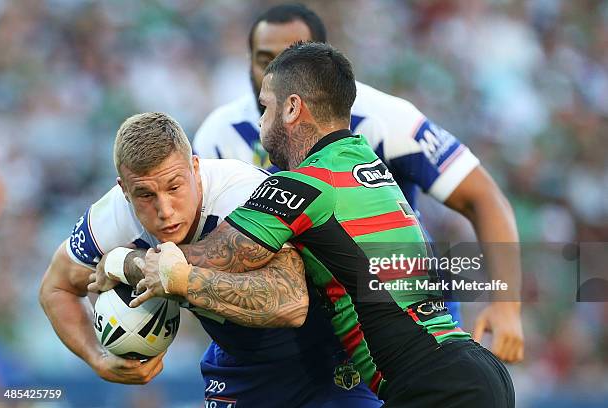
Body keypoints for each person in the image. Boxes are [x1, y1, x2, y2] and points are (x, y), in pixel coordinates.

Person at [132, 42, 515, 407]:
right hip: (470, 371)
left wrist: (131, 262)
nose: (260, 124)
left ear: (292, 108)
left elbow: (217, 255)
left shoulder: (307, 184)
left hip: (436, 381)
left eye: (265, 108)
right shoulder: (366, 164)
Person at [193, 3, 523, 364]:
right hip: (292, 331)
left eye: (291, 58)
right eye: (264, 59)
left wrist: (507, 306)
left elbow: (482, 197)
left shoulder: (384, 118)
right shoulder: (220, 136)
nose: (276, 73)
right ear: (248, 61)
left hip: (400, 325)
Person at [40, 112, 382, 407]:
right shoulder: (112, 216)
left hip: (325, 361)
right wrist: (97, 359)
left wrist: (152, 270)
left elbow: (291, 303)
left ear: (195, 167)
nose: (164, 210)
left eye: (174, 187)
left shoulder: (242, 193)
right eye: (145, 195)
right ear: (124, 189)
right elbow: (56, 288)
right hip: (237, 367)